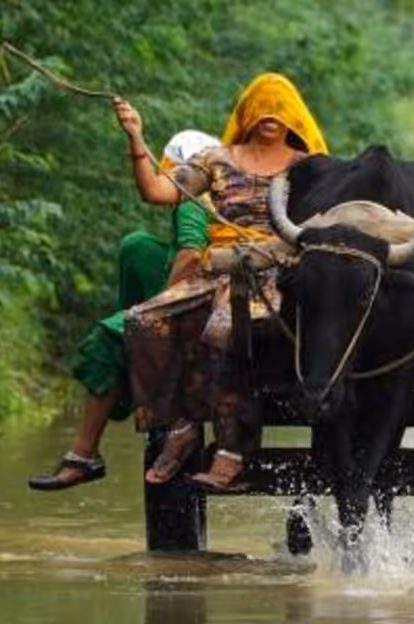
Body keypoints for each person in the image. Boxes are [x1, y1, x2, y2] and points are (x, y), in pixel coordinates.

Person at [114, 73, 328, 491]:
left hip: (280, 274)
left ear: (295, 118)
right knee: (141, 321)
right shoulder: (216, 158)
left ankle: (233, 452)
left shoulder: (310, 169)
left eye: (280, 109)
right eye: (262, 107)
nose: (271, 116)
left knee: (223, 330)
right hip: (220, 270)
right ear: (246, 113)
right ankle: (180, 427)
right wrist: (136, 139)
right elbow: (158, 192)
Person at [28, 131, 222, 491]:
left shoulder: (194, 198)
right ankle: (137, 354)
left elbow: (192, 253)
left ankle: (85, 454)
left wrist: (154, 313)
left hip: (202, 305)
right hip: (226, 296)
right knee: (137, 246)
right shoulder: (232, 191)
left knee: (107, 337)